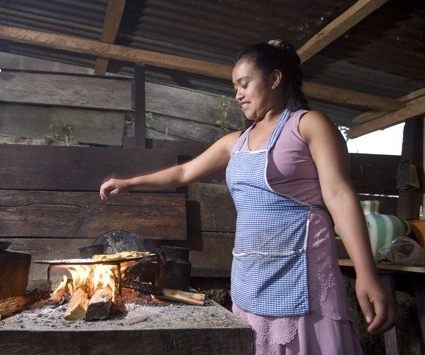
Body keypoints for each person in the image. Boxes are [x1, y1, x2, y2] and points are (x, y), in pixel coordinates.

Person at [99, 39, 397, 354]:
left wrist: (366, 274)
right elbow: (184, 173)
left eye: (245, 83)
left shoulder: (308, 125)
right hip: (251, 273)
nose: (238, 93)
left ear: (275, 78)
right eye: (235, 87)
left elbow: (338, 194)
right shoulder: (235, 142)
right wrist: (131, 182)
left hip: (301, 269)